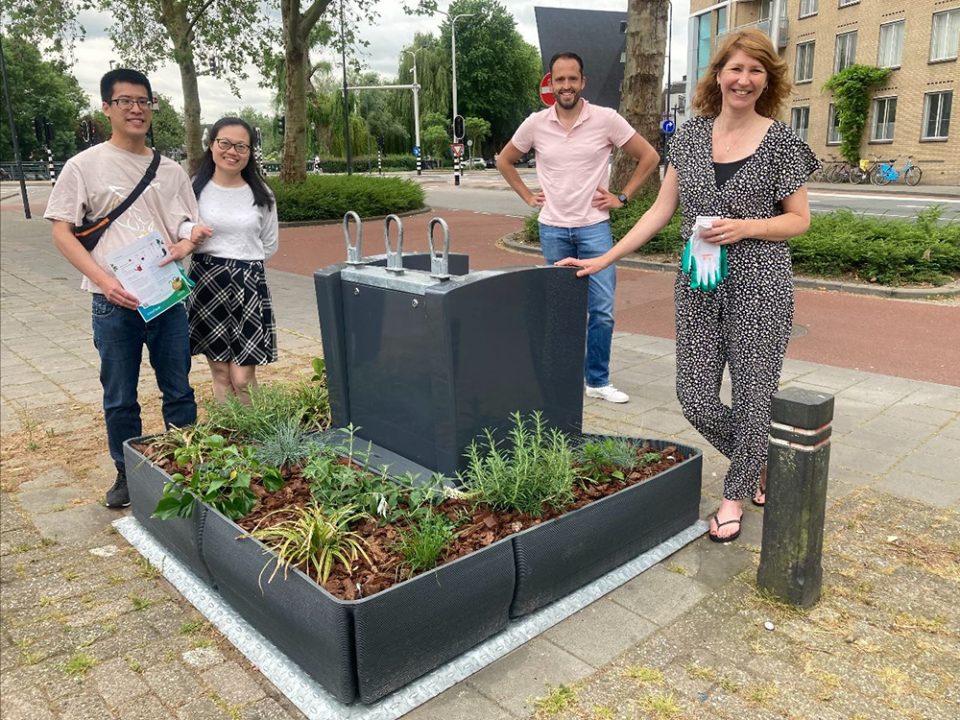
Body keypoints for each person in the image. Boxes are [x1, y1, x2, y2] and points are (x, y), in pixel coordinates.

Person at [556, 29, 819, 542]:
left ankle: (735, 495)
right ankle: (759, 460)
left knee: (752, 397)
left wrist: (747, 227)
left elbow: (800, 220)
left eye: (755, 71)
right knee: (694, 396)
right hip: (698, 283)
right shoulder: (691, 137)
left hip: (760, 284)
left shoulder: (783, 143)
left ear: (767, 80)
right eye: (735, 69)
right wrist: (602, 258)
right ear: (718, 73)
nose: (743, 80)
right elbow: (660, 209)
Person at [45, 68, 211, 508]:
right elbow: (62, 232)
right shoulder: (83, 166)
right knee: (120, 395)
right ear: (107, 107)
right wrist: (104, 281)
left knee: (178, 387)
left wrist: (186, 240)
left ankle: (186, 464)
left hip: (166, 298)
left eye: (144, 101)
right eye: (125, 101)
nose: (136, 109)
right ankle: (127, 473)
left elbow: (185, 222)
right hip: (112, 301)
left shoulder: (171, 170)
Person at [497, 52, 660, 404]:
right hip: (553, 230)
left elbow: (649, 156)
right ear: (550, 83)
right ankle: (560, 378)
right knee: (560, 311)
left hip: (594, 229)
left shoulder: (605, 119)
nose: (566, 85)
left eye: (573, 79)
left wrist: (623, 197)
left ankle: (597, 381)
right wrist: (527, 195)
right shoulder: (535, 124)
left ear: (582, 82)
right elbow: (504, 160)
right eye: (560, 79)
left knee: (601, 309)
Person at [187, 117, 279, 403]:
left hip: (247, 283)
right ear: (211, 145)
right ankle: (228, 440)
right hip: (207, 281)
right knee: (221, 374)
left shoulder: (261, 193)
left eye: (242, 146)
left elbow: (270, 242)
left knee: (243, 377)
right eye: (224, 143)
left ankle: (255, 438)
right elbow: (179, 227)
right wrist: (191, 235)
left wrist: (241, 263)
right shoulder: (194, 189)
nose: (232, 152)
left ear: (250, 152)